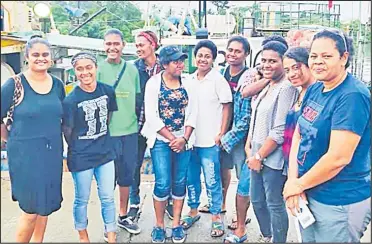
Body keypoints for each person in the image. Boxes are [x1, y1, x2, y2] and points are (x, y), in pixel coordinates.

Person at [283, 29, 371, 243]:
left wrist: (298, 185)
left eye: (326, 56)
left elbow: (338, 158)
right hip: (308, 192)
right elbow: (299, 134)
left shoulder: (352, 96)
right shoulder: (316, 89)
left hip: (339, 200)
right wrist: (294, 180)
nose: (318, 62)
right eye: (313, 56)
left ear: (344, 58)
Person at [226, 41, 298, 243]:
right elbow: (255, 117)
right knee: (257, 200)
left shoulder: (286, 88)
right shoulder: (268, 84)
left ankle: (278, 240)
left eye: (273, 61)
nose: (266, 65)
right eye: (263, 60)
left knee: (274, 203)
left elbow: (279, 130)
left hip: (271, 156)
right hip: (254, 153)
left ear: (284, 62)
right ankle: (268, 235)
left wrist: (259, 155)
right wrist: (249, 148)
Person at [0, 36, 65, 242]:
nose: (41, 58)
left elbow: (62, 116)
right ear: (27, 57)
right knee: (30, 210)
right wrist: (10, 140)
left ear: (51, 58)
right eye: (35, 54)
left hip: (51, 153)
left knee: (44, 206)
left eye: (45, 54)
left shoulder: (57, 84)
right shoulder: (13, 84)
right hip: (25, 156)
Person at [141, 45, 197, 243]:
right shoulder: (154, 83)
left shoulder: (189, 82)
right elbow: (151, 116)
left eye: (182, 60)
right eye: (175, 61)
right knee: (163, 182)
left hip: (185, 140)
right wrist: (172, 139)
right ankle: (159, 225)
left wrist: (184, 138)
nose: (180, 64)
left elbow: (193, 113)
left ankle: (176, 224)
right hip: (161, 140)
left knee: (180, 181)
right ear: (164, 64)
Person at [62, 52, 118, 243]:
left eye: (88, 67)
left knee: (108, 197)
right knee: (82, 199)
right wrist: (82, 146)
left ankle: (111, 235)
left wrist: (98, 140)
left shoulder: (108, 91)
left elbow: (108, 118)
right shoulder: (70, 100)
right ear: (74, 71)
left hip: (105, 153)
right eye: (79, 69)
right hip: (81, 156)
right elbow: (68, 131)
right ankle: (83, 235)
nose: (85, 72)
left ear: (96, 68)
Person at [181, 40, 232, 238]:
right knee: (191, 179)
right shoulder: (187, 79)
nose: (203, 59)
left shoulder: (218, 81)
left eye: (207, 56)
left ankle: (216, 216)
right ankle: (193, 211)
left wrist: (221, 133)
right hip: (190, 141)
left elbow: (227, 106)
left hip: (210, 141)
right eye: (200, 55)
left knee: (212, 180)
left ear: (213, 59)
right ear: (195, 57)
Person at [97, 28, 141, 234]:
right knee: (107, 180)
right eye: (109, 44)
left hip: (129, 132)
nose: (112, 47)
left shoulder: (132, 70)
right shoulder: (97, 69)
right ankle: (108, 222)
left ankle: (123, 215)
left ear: (123, 45)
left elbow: (137, 102)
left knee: (126, 176)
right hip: (107, 134)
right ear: (103, 46)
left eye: (116, 43)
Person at [129, 30, 174, 221]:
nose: (138, 48)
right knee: (133, 166)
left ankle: (168, 201)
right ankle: (134, 202)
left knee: (164, 166)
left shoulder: (165, 67)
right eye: (136, 45)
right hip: (138, 124)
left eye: (142, 44)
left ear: (153, 45)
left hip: (163, 126)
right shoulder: (133, 69)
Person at [282, 47, 316, 174]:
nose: (291, 74)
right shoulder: (299, 92)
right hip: (290, 162)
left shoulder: (317, 95)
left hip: (306, 167)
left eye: (296, 67)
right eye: (287, 70)